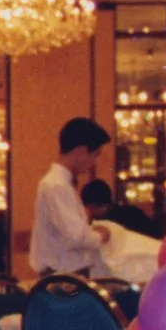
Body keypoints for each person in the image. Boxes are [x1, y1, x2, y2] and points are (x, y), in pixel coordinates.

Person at [29, 116, 112, 277]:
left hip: (65, 274)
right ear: (81, 152)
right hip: (64, 277)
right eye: (95, 155)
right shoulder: (57, 185)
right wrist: (101, 236)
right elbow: (76, 237)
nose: (94, 163)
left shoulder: (60, 184)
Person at [82, 180, 163, 284]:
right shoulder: (133, 213)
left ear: (91, 206)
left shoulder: (97, 227)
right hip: (146, 276)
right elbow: (156, 236)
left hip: (118, 280)